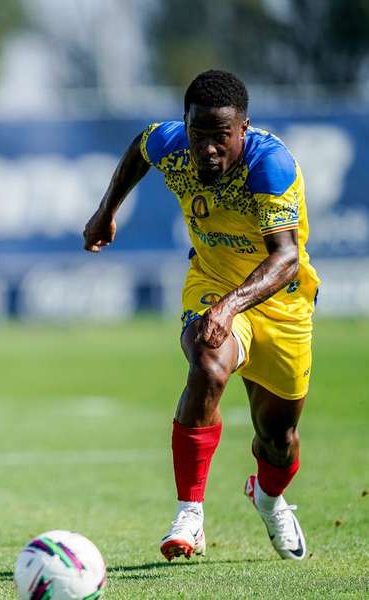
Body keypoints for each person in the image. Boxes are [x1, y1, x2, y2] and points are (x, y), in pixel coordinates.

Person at [83, 70, 319, 562]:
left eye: (221, 137)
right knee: (208, 363)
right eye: (199, 134)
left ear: (244, 129)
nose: (208, 148)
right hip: (210, 282)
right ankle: (190, 513)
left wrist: (233, 305)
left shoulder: (270, 165)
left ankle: (270, 499)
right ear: (186, 126)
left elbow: (285, 258)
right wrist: (107, 210)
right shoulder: (170, 143)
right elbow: (140, 148)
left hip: (280, 299)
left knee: (280, 439)